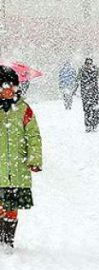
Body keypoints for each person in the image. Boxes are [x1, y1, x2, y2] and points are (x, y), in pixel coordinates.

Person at [0, 65, 42, 253]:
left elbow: (33, 135)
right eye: (4, 87)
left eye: (12, 86)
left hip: (17, 170)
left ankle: (8, 239)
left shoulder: (24, 109)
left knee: (11, 206)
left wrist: (34, 159)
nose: (9, 91)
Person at [75, 58, 99, 132]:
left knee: (95, 108)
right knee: (86, 109)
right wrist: (74, 89)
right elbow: (77, 80)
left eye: (90, 64)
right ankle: (88, 125)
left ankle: (95, 124)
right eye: (87, 64)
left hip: (93, 92)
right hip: (85, 92)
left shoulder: (96, 69)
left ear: (92, 64)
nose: (88, 65)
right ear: (85, 64)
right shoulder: (81, 70)